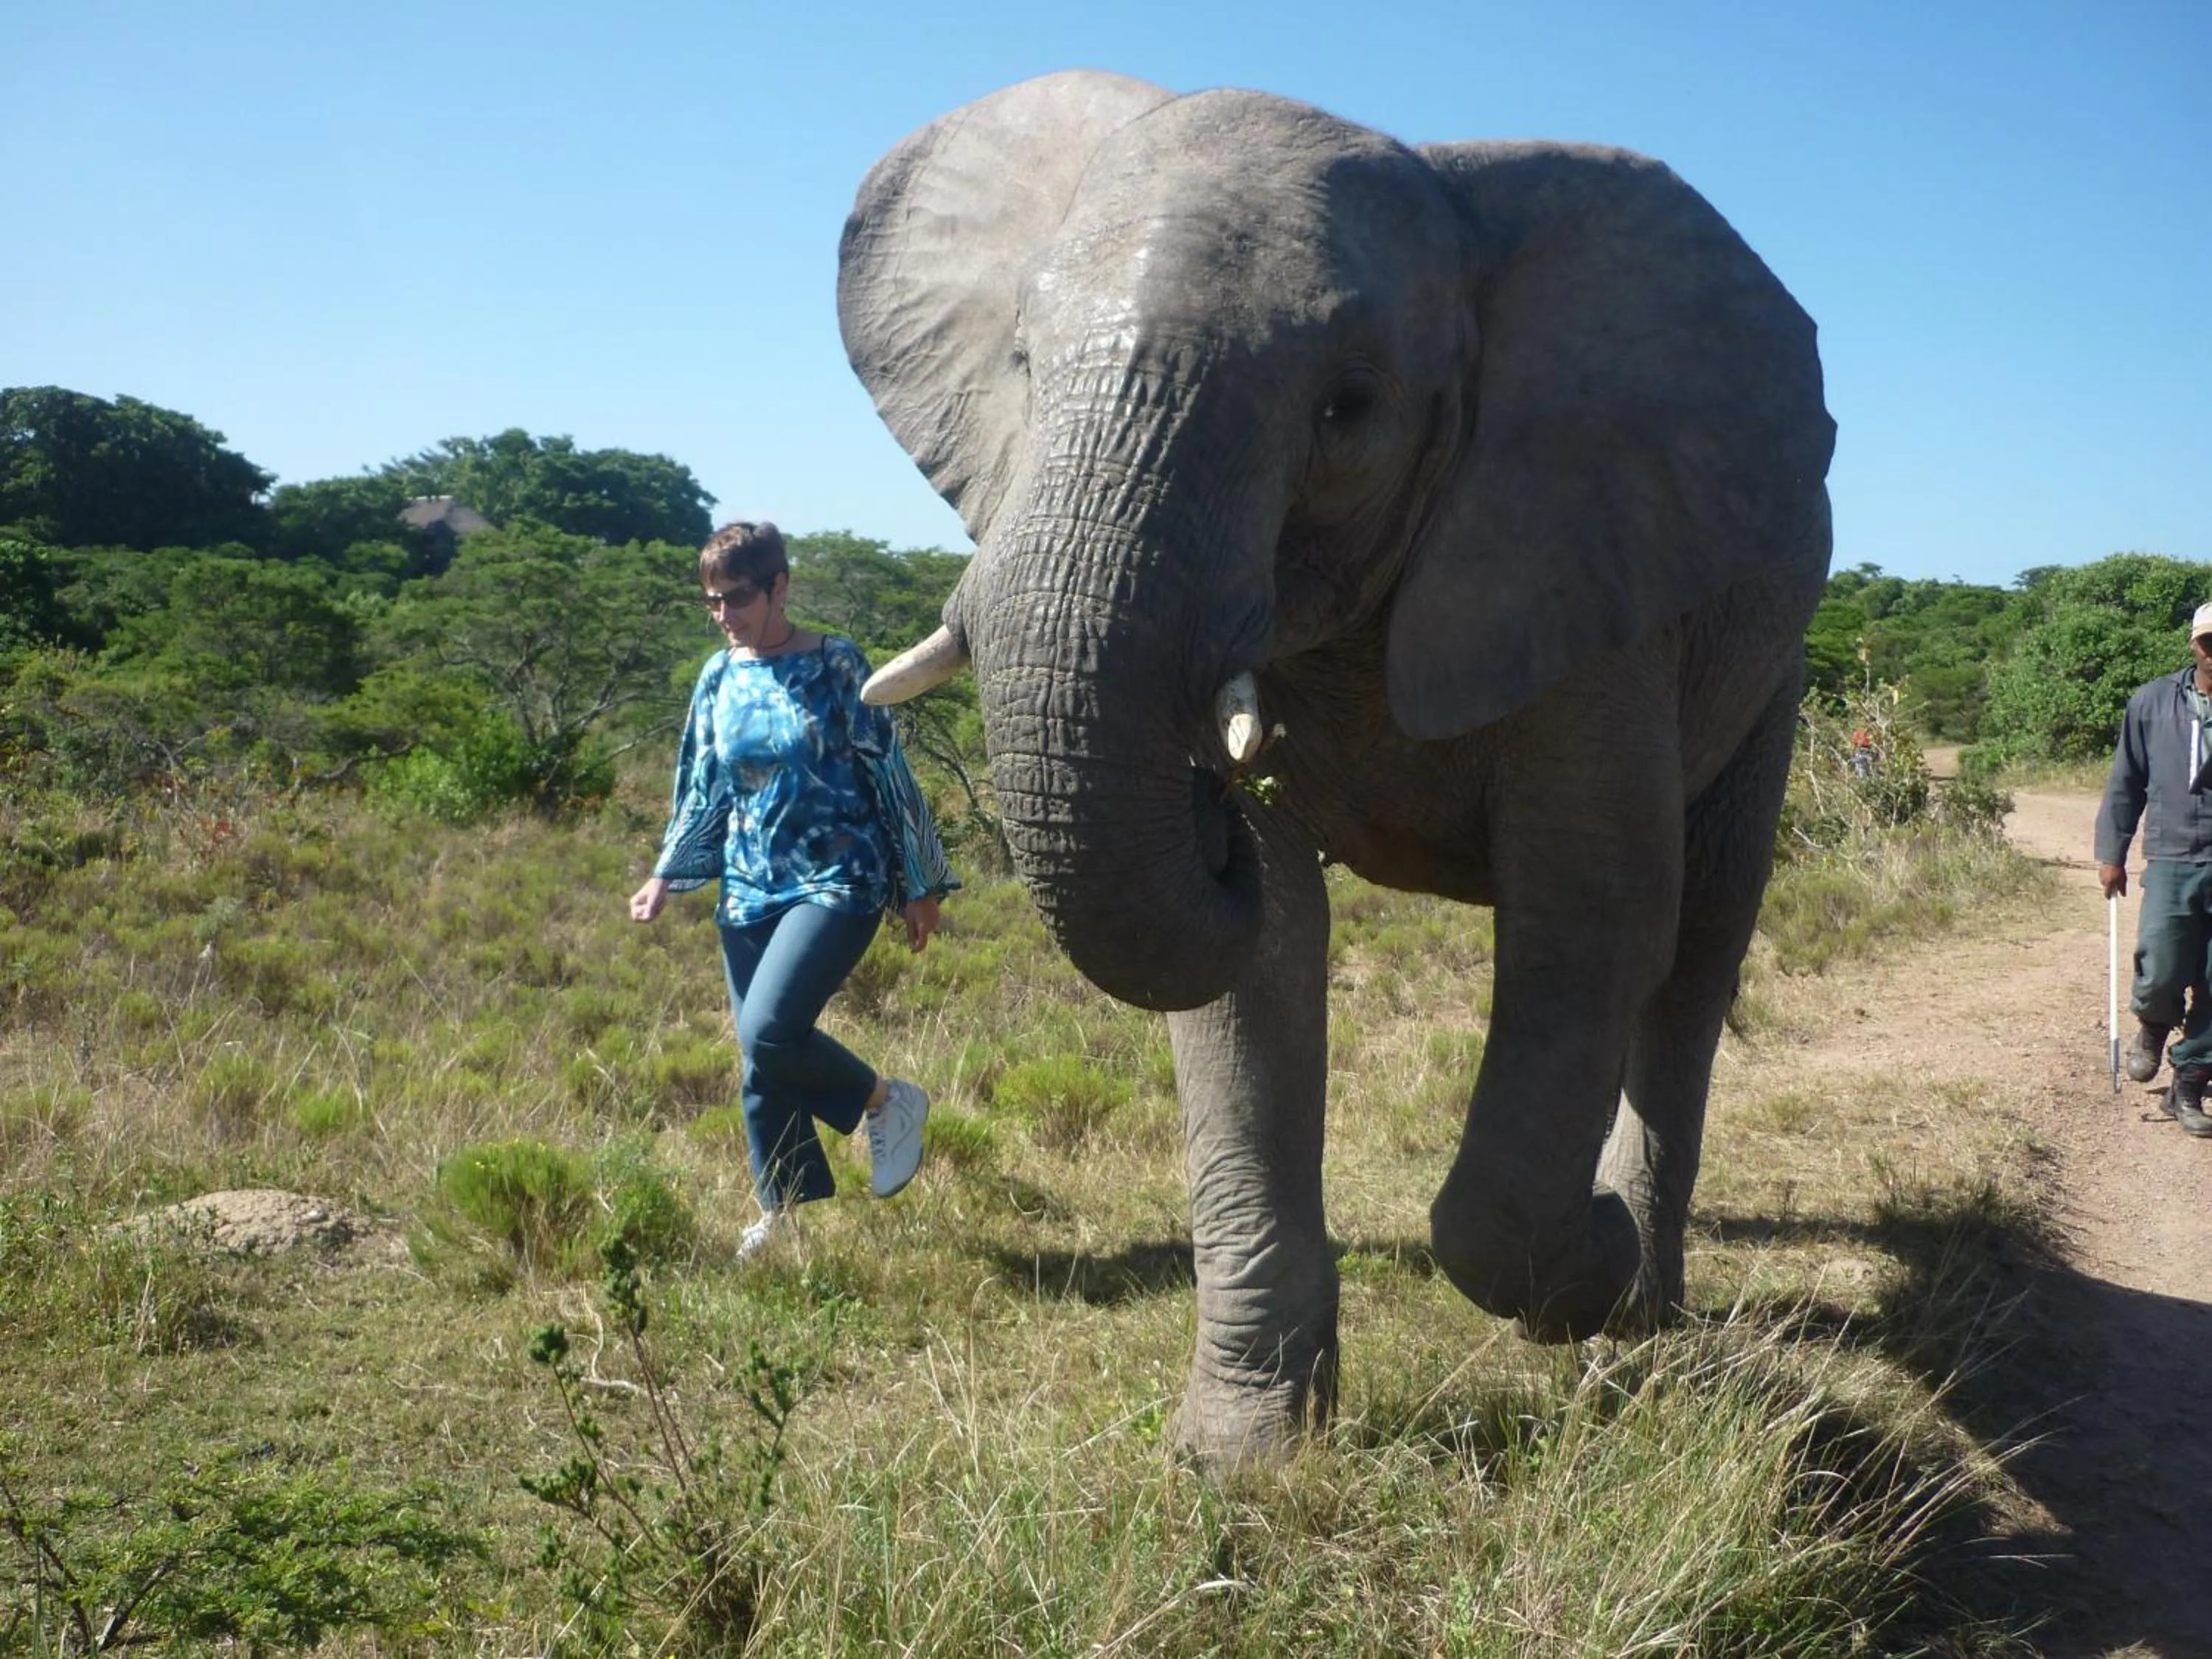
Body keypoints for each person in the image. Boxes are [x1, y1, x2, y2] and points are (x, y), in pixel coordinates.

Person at [630, 521, 960, 1249]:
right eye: (711, 602)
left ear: (780, 585)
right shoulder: (719, 676)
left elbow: (887, 770)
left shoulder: (838, 664)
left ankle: (888, 1101)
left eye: (738, 598)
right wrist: (666, 871)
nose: (724, 615)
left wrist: (919, 881)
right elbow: (701, 782)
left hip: (840, 874)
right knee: (761, 1064)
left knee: (770, 1029)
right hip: (748, 884)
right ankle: (784, 1221)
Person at [2096, 600, 2212, 1138]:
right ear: (2193, 644)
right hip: (2172, 854)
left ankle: (2188, 1084)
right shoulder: (2151, 702)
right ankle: (2153, 1027)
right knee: (2161, 962)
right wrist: (2112, 853)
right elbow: (2126, 782)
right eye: (2209, 641)